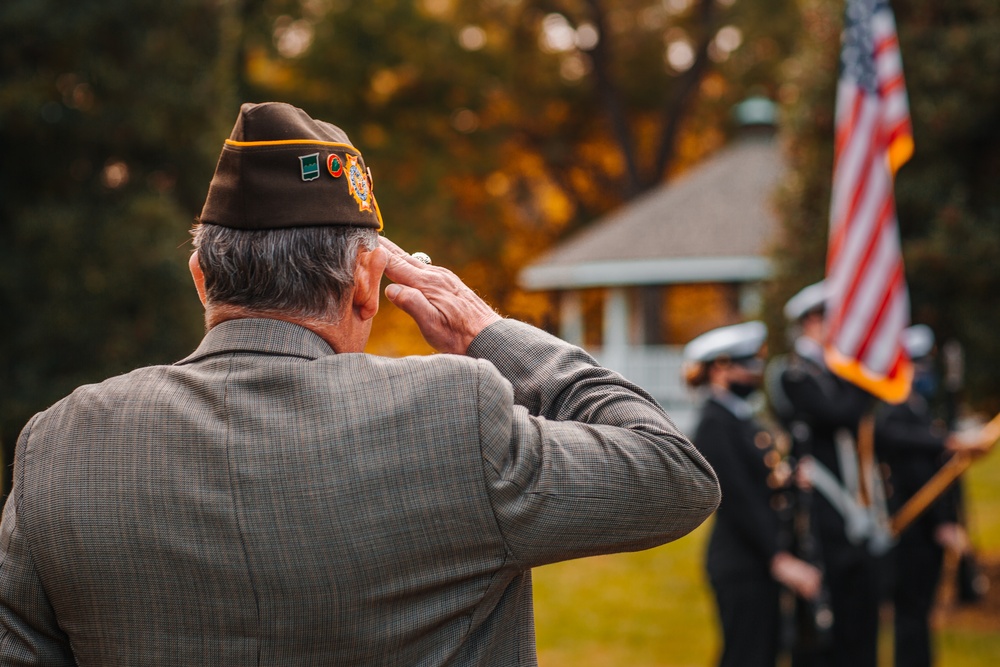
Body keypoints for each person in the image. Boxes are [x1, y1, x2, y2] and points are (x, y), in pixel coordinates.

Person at [0, 102, 721, 666]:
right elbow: (673, 471)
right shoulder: (453, 417)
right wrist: (486, 330)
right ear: (366, 287)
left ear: (201, 278)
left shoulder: (59, 443)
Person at [684, 321, 823, 667]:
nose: (754, 375)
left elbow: (760, 483)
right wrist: (778, 559)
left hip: (756, 559)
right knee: (746, 655)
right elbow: (737, 499)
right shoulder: (714, 423)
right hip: (741, 561)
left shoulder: (739, 418)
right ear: (720, 369)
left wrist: (787, 480)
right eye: (747, 366)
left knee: (766, 651)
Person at [766, 282, 884, 667]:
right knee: (825, 625)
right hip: (821, 509)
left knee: (861, 615)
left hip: (857, 505)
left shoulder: (836, 370)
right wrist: (867, 377)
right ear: (812, 322)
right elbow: (841, 414)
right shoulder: (794, 373)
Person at [876, 324, 985, 667]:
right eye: (917, 364)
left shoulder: (918, 408)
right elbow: (915, 470)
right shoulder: (894, 409)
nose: (923, 372)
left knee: (920, 612)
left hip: (924, 529)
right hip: (911, 527)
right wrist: (941, 523)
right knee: (911, 612)